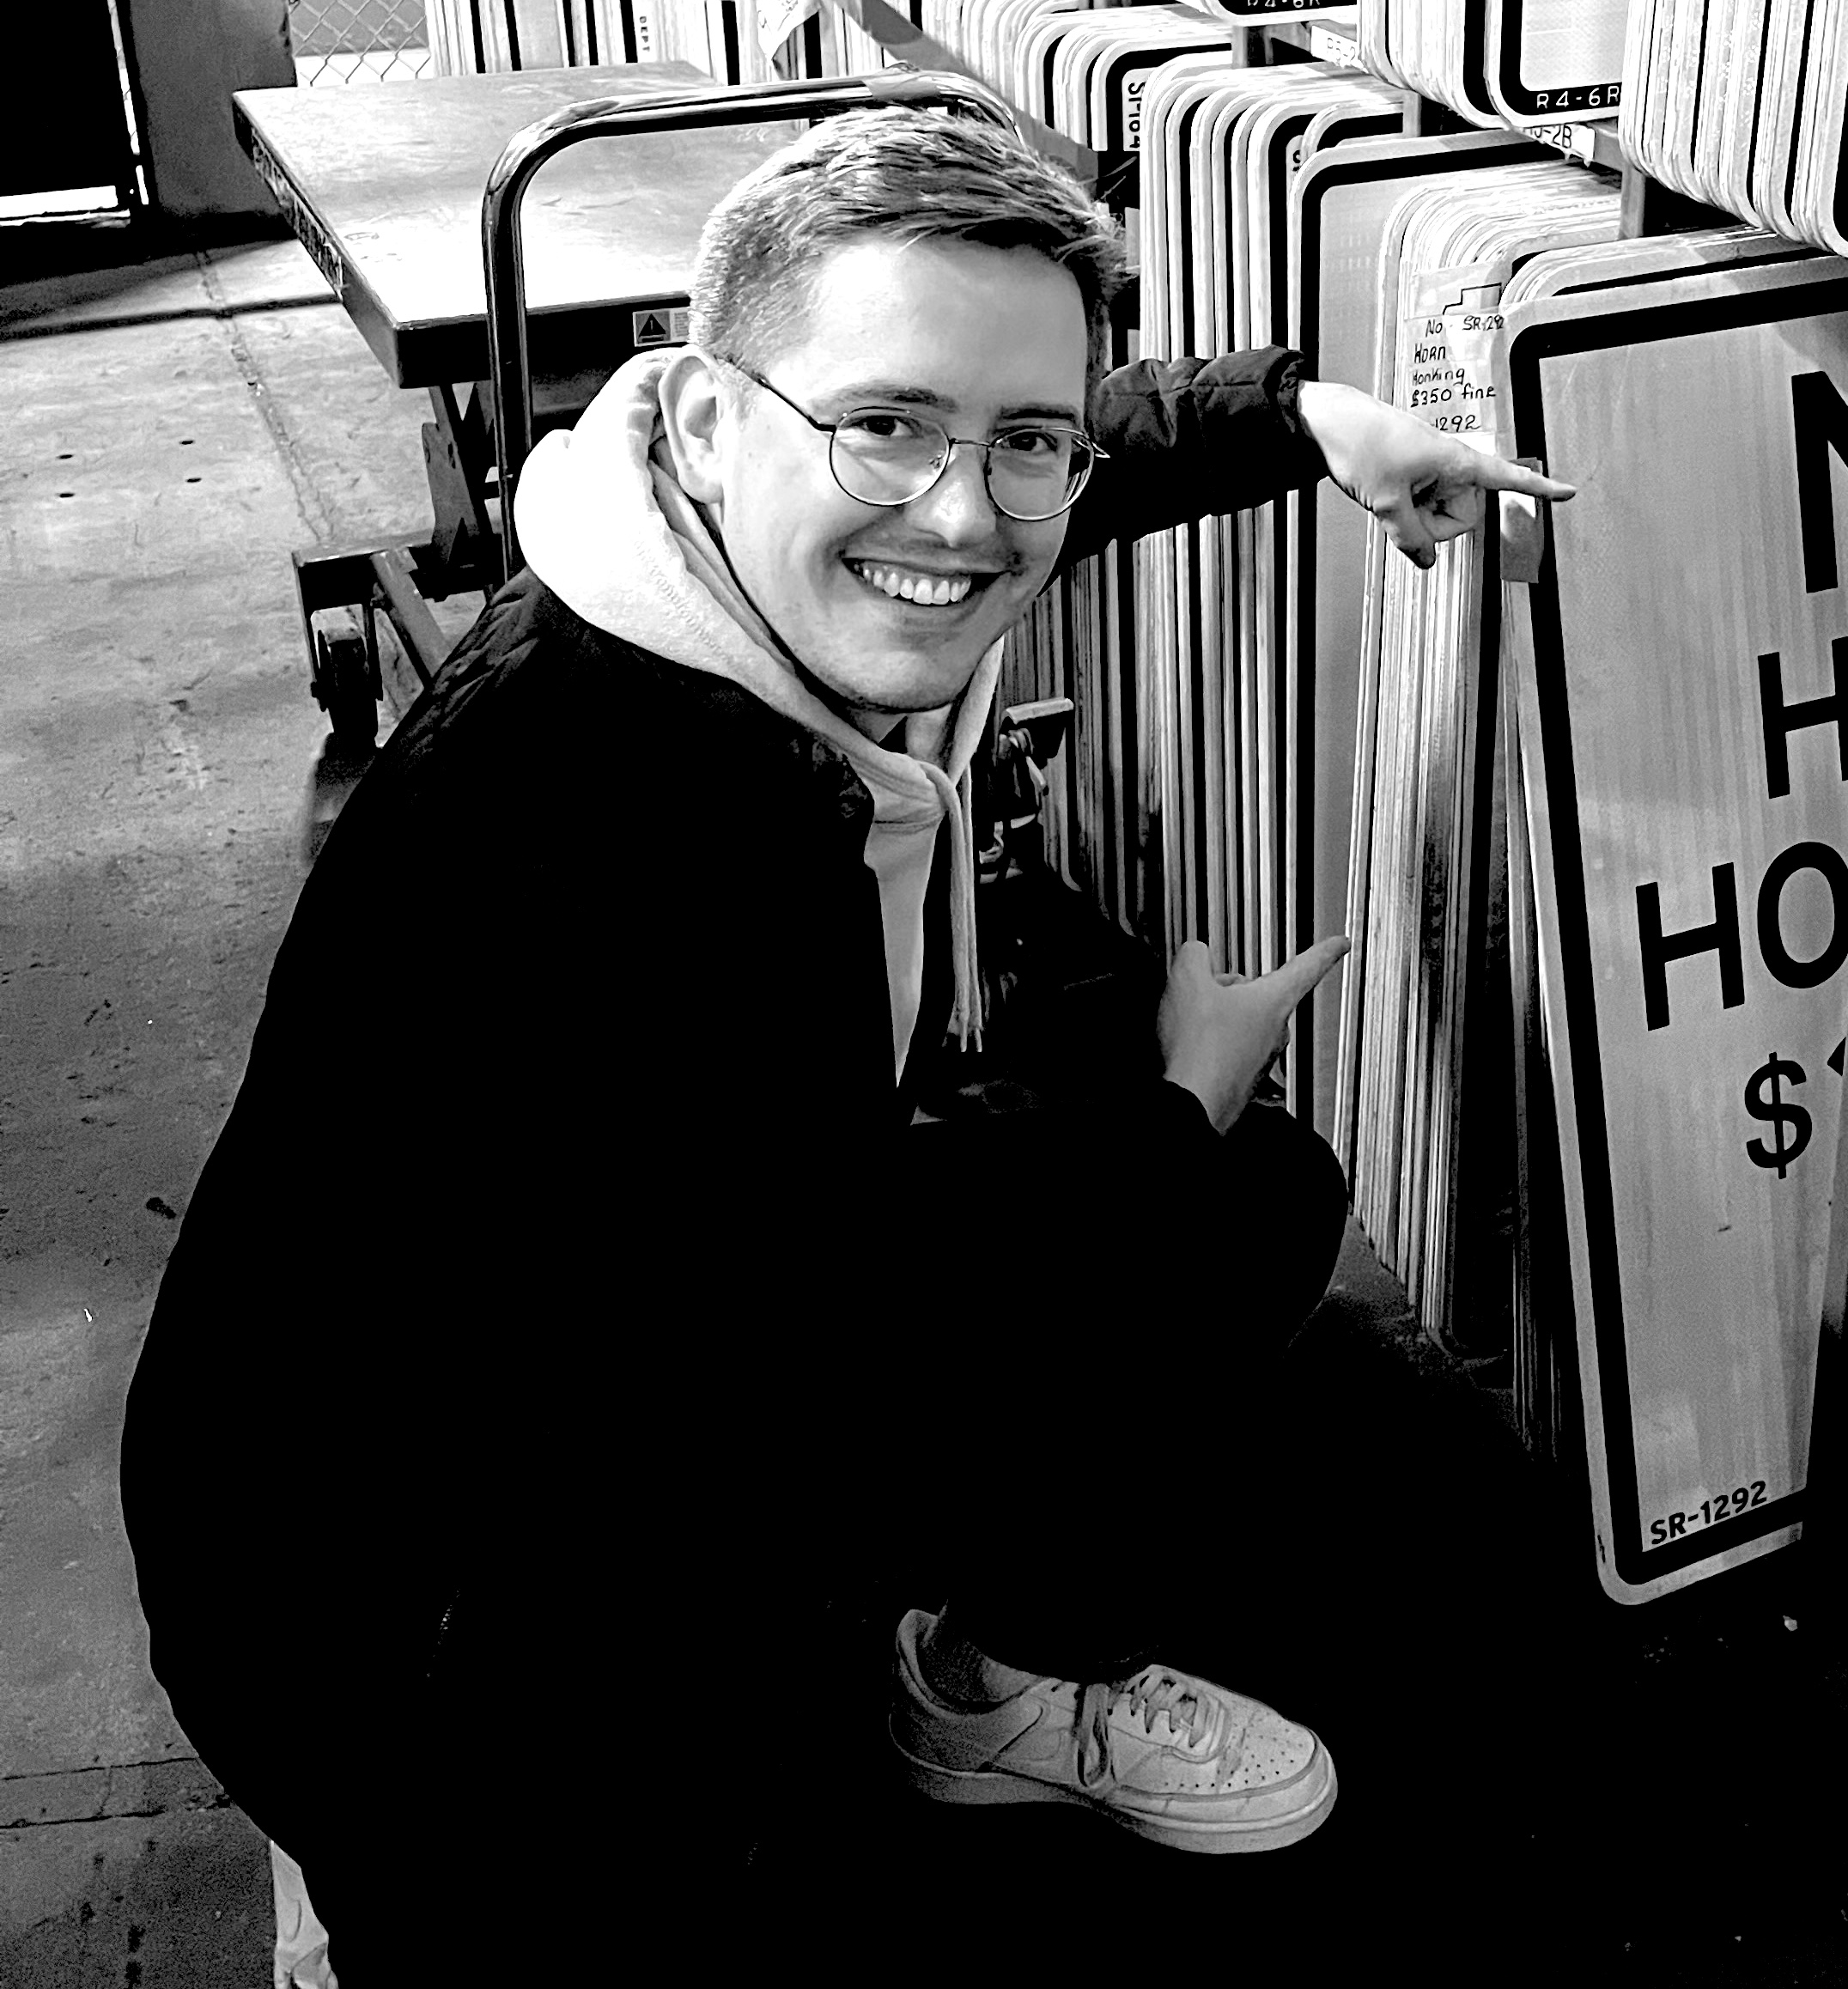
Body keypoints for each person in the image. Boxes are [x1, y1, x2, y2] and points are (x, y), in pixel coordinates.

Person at [120, 102, 1567, 1980]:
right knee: (1189, 1204)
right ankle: (420, 1895)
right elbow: (830, 1331)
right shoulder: (624, 838)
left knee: (1237, 1192)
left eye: (1019, 437)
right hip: (434, 1621)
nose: (961, 511)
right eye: (886, 424)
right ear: (707, 417)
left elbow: (1039, 452)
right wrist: (1173, 1103)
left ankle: (968, 1680)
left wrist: (1307, 419)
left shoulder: (687, 556)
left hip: (597, 1380)